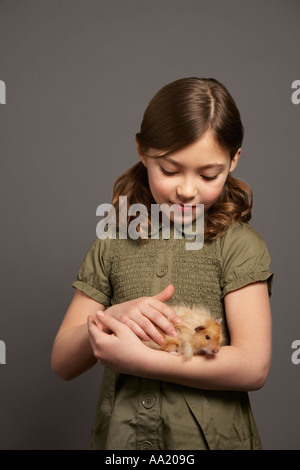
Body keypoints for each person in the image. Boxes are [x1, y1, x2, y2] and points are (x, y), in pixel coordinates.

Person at [51, 77, 273, 450]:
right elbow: (63, 362)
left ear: (233, 160)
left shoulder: (239, 246)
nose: (186, 189)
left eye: (208, 175)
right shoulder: (112, 242)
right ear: (142, 150)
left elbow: (253, 365)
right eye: (170, 170)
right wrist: (114, 316)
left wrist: (143, 360)